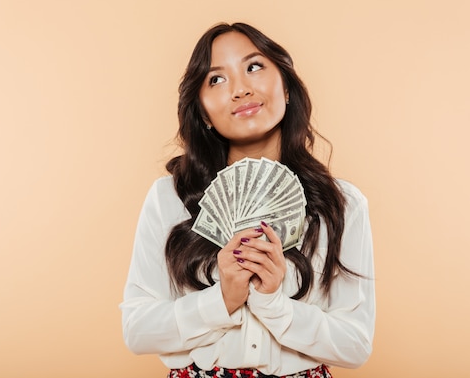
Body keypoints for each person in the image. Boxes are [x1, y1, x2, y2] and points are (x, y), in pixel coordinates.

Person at [120, 22, 375, 378]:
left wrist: (273, 303)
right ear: (203, 112)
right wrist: (222, 298)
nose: (240, 89)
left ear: (286, 88)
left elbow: (356, 343)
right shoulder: (169, 198)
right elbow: (137, 329)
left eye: (254, 67)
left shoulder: (344, 204)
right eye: (216, 79)